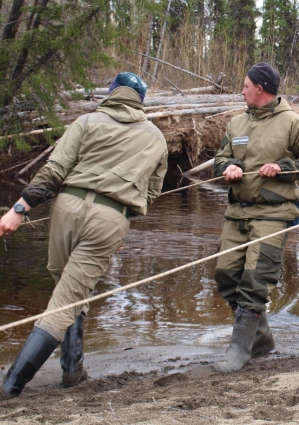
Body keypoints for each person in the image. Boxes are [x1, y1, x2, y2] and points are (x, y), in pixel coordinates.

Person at [0, 72, 168, 398]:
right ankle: (12, 386)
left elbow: (54, 171)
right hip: (110, 218)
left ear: (111, 93)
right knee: (69, 297)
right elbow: (152, 192)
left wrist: (18, 210)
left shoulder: (88, 121)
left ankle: (70, 370)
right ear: (140, 102)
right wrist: (123, 213)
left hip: (67, 207)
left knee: (65, 291)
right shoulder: (156, 138)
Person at [213, 62, 299, 373]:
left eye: (246, 86)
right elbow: (220, 158)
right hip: (237, 211)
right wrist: (227, 167)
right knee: (226, 276)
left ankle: (239, 349)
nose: (242, 91)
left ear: (260, 89)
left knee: (255, 279)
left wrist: (284, 167)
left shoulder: (292, 122)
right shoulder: (236, 124)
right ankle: (260, 339)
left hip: (274, 213)